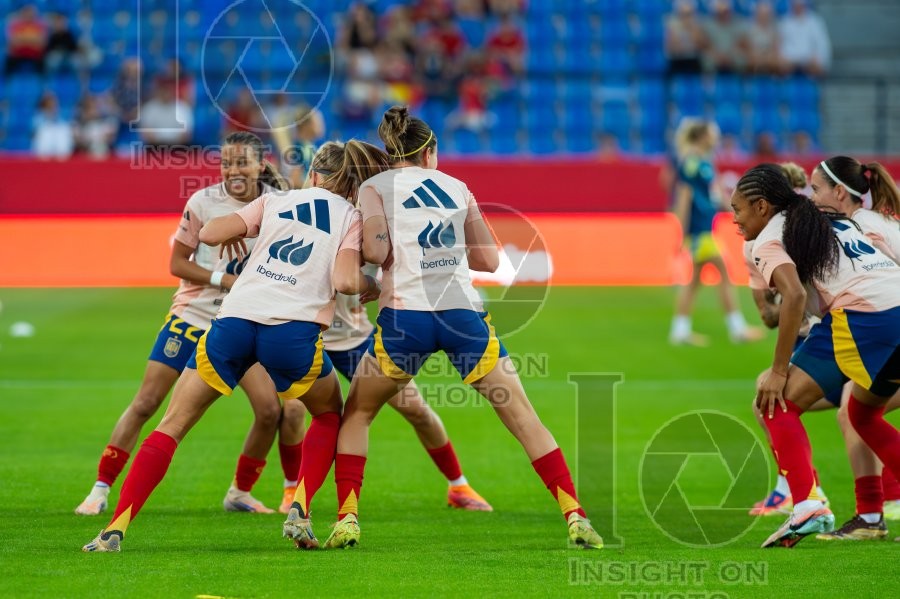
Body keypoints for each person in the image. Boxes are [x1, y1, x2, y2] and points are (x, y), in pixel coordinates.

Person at [83, 139, 389, 552]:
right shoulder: (350, 216)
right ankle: (300, 505)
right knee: (330, 414)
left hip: (233, 322)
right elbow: (348, 282)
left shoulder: (275, 200)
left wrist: (240, 231)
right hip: (291, 333)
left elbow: (210, 232)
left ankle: (113, 530)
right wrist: (372, 284)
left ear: (313, 174)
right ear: (350, 184)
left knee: (171, 424)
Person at [319, 106, 603, 550]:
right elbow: (488, 260)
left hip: (405, 319)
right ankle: (575, 515)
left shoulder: (374, 187)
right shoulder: (457, 187)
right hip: (461, 316)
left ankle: (347, 518)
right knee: (524, 418)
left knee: (358, 414)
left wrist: (385, 252)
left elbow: (375, 252)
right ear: (430, 151)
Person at [75, 131, 305, 518]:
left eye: (241, 162)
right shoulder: (204, 201)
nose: (232, 170)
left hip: (240, 321)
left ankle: (239, 492)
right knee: (148, 402)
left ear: (260, 163)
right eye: (226, 162)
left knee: (270, 411)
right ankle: (100, 489)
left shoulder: (278, 204)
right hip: (193, 316)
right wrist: (222, 279)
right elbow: (176, 264)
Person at [731, 163, 900, 548]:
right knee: (862, 414)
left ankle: (808, 503)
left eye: (737, 209)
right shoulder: (829, 215)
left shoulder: (769, 239)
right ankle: (858, 511)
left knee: (771, 399)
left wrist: (777, 370)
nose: (734, 220)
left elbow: (792, 297)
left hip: (864, 318)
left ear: (761, 206)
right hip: (893, 309)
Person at [324, 273, 492, 511]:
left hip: (356, 341)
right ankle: (292, 493)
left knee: (418, 412)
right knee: (294, 415)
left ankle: (459, 486)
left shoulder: (369, 237)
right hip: (307, 338)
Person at [807, 156, 900, 539]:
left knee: (854, 411)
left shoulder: (861, 228)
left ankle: (873, 513)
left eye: (815, 189)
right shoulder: (872, 222)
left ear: (839, 193)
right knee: (856, 410)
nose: (810, 197)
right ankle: (875, 512)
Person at [669, 119, 763, 346]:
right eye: (712, 134)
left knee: (695, 281)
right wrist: (682, 234)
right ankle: (737, 328)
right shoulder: (692, 163)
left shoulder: (703, 162)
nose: (716, 138)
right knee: (724, 269)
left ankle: (680, 330)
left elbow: (714, 197)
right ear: (703, 136)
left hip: (705, 228)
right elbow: (683, 196)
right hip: (699, 230)